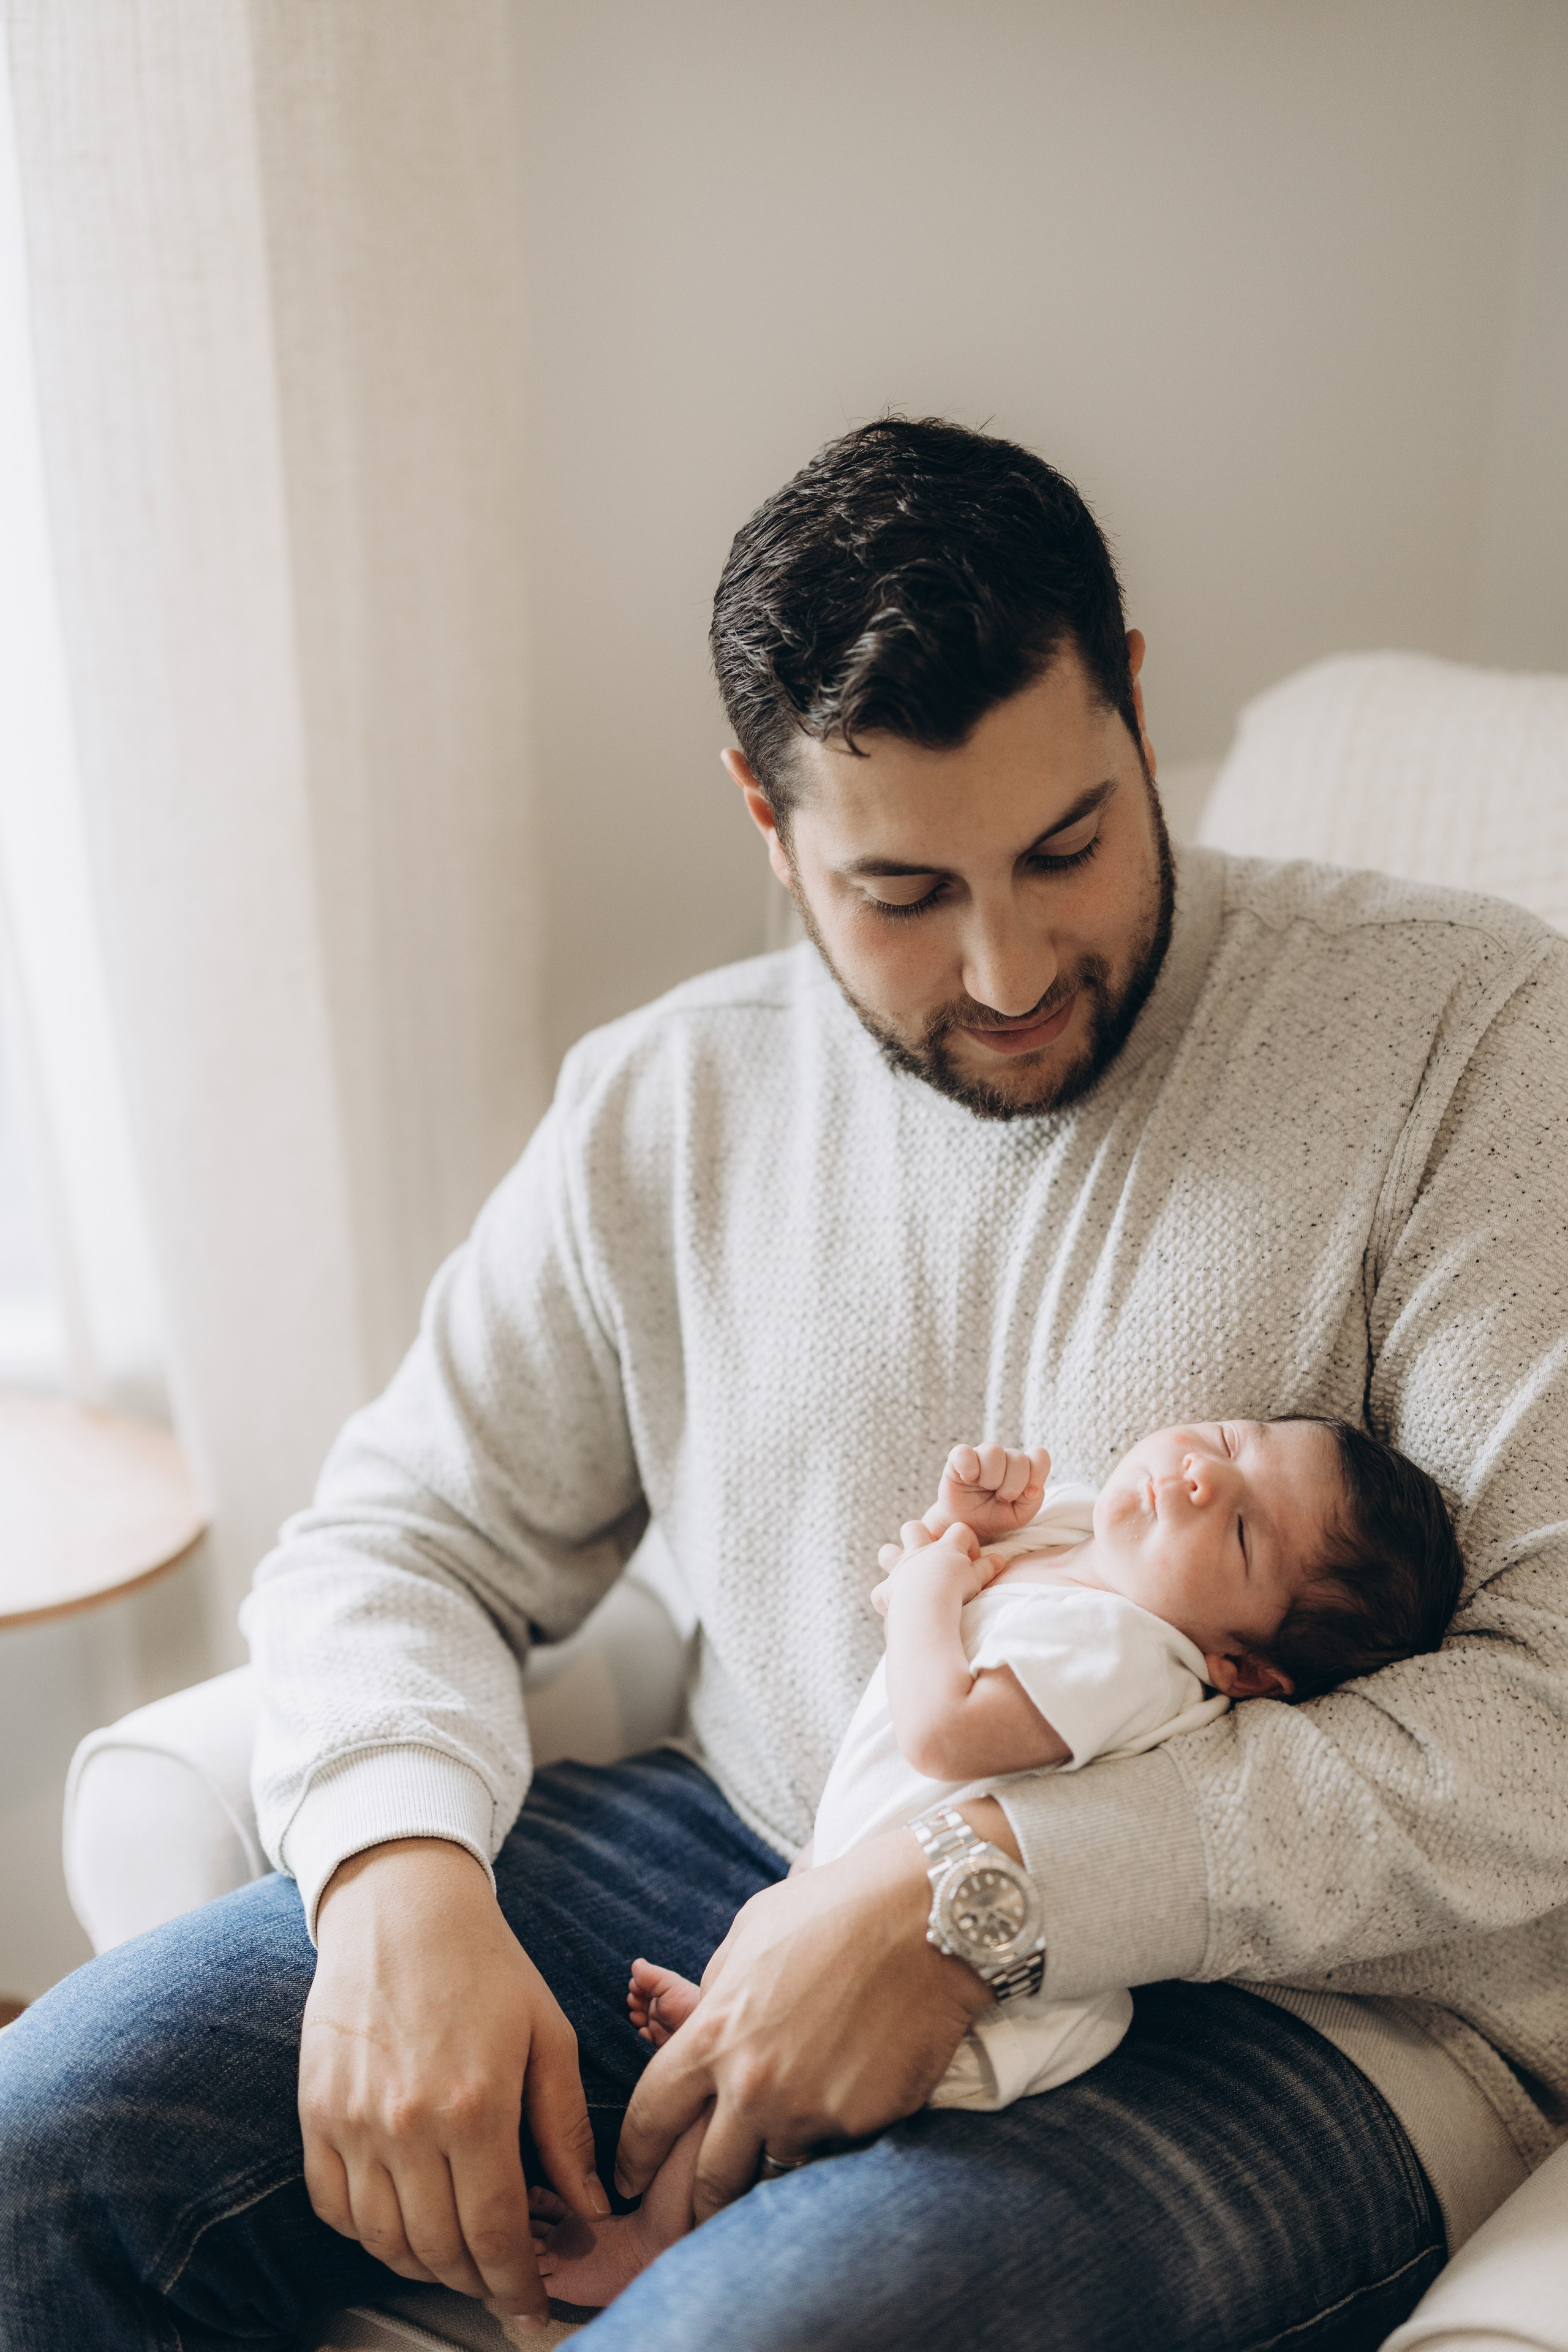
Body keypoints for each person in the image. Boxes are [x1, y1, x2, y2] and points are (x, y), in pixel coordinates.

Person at [2, 417, 1566, 2352]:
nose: (1005, 967)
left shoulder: (1479, 1036)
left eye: (1066, 846)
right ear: (766, 814)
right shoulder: (672, 1098)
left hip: (1305, 2018)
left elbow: (1544, 1724)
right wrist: (393, 1874)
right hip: (739, 1843)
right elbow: (398, 1531)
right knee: (44, 2146)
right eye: (906, 892)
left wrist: (971, 1888)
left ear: (1135, 706)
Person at [529, 1419, 1466, 2309]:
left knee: (788, 2076)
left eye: (1243, 1535)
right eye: (1232, 1443)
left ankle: (655, 2239)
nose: (1202, 1475)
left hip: (965, 1985)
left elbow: (942, 1729)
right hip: (862, 1853)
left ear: (1245, 1670)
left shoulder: (1134, 1655)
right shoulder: (1087, 1526)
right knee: (771, 1929)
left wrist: (927, 1592)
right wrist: (960, 1529)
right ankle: (717, 2021)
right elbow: (957, 1583)